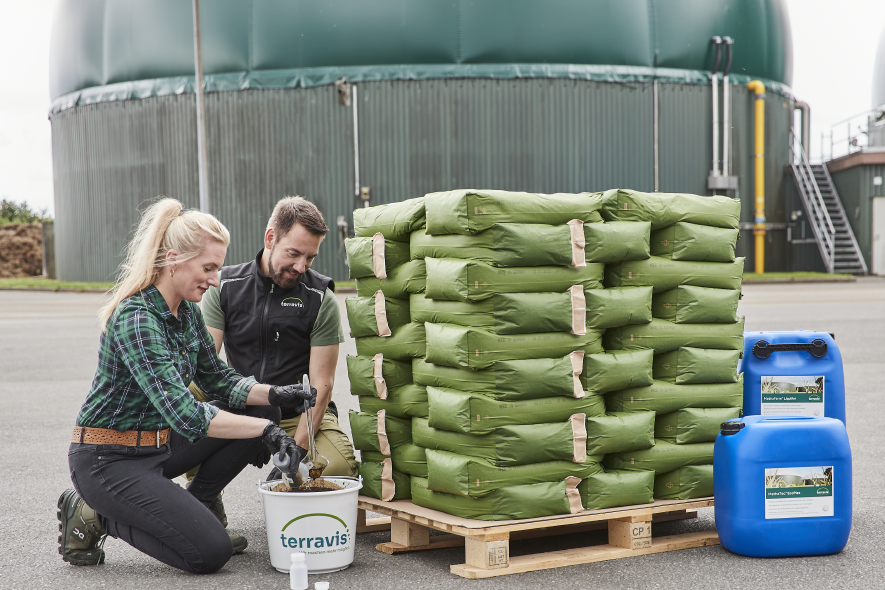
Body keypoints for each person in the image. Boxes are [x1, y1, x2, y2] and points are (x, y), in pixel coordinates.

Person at [59, 198, 316, 574]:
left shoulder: (188, 312)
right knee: (209, 554)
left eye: (218, 268)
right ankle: (95, 513)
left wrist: (276, 393)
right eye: (208, 268)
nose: (215, 280)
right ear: (173, 260)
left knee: (264, 407)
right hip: (108, 461)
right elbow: (186, 414)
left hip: (159, 446)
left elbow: (219, 380)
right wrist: (269, 432)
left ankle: (197, 506)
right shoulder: (137, 318)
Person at [193, 196, 357, 487]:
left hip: (299, 414)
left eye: (310, 258)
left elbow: (323, 386)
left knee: (339, 467)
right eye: (294, 253)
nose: (301, 266)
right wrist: (250, 420)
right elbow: (203, 368)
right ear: (270, 238)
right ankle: (203, 495)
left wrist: (298, 448)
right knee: (185, 391)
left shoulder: (322, 299)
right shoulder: (224, 289)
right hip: (242, 404)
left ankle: (299, 491)